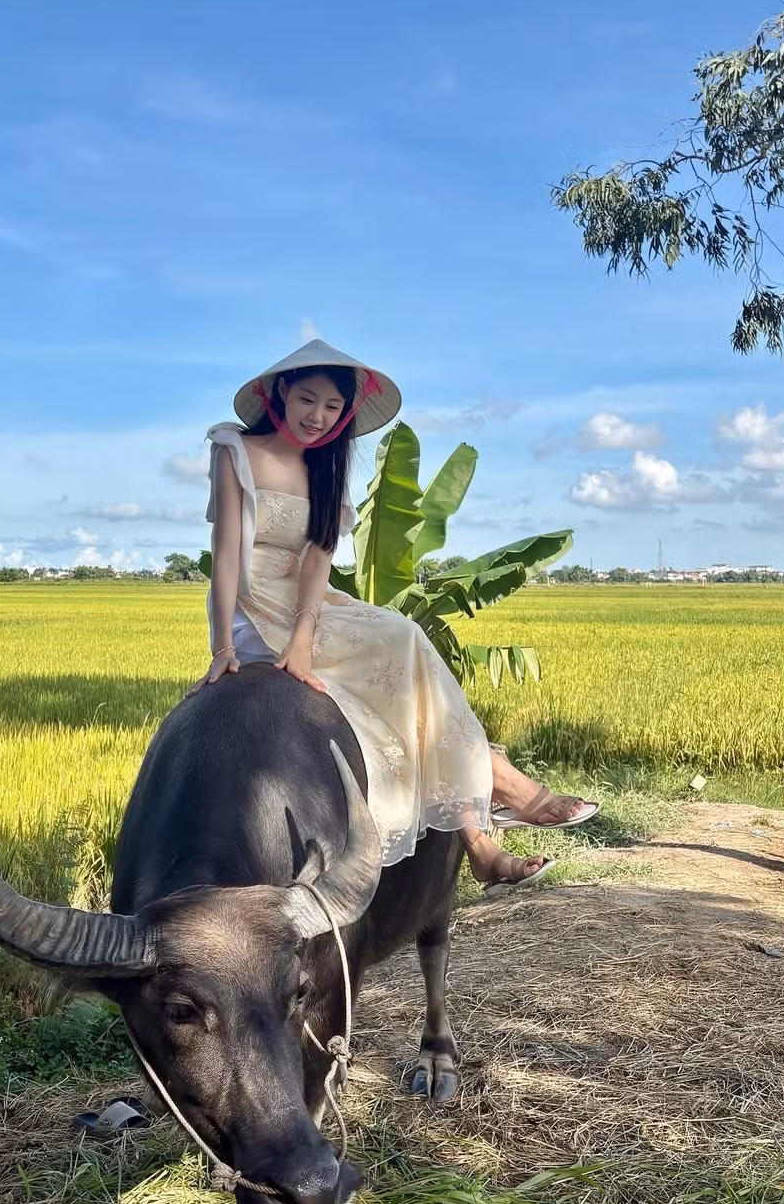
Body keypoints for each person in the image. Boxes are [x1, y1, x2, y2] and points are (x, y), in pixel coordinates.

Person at [191, 337, 598, 896]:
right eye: (308, 399)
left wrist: (306, 634)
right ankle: (500, 787)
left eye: (332, 408)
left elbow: (316, 561)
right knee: (395, 651)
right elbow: (227, 557)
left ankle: (479, 841)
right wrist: (222, 647)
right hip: (255, 606)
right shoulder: (233, 448)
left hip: (309, 606)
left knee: (404, 636)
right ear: (280, 392)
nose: (318, 417)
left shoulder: (325, 467)